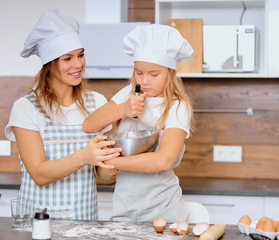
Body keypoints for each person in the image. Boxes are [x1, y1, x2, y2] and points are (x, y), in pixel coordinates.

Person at [5, 9, 121, 221]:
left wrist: (112, 167)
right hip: (39, 224)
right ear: (49, 65)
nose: (78, 65)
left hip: (85, 223)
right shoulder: (26, 108)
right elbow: (39, 174)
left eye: (81, 55)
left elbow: (103, 177)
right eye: (68, 58)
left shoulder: (98, 103)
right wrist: (85, 155)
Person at [82, 24, 195, 223]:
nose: (144, 81)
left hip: (165, 212)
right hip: (124, 212)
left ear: (170, 72)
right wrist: (122, 109)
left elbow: (163, 160)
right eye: (138, 72)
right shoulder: (127, 94)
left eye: (154, 74)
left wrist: (113, 162)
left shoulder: (177, 106)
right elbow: (89, 125)